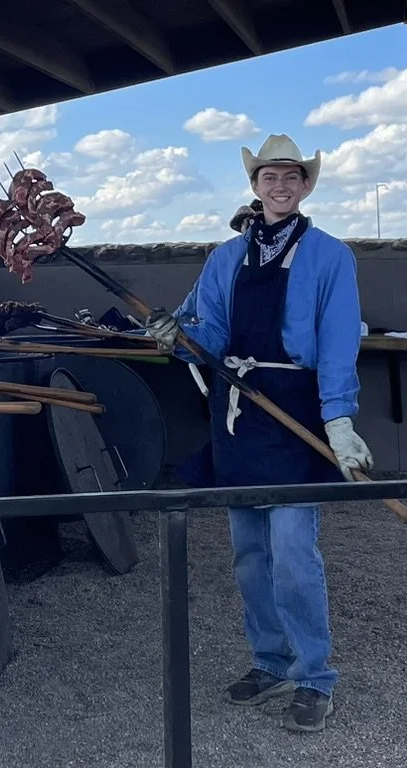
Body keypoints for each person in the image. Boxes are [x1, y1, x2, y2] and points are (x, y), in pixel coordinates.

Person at [144, 134, 374, 733]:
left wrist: (340, 418)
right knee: (249, 555)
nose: (279, 185)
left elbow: (339, 340)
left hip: (296, 413)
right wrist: (181, 336)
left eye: (290, 176)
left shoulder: (330, 257)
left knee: (295, 554)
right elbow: (208, 333)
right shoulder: (225, 258)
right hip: (240, 412)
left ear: (304, 186)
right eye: (269, 176)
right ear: (255, 186)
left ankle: (315, 677)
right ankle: (269, 661)